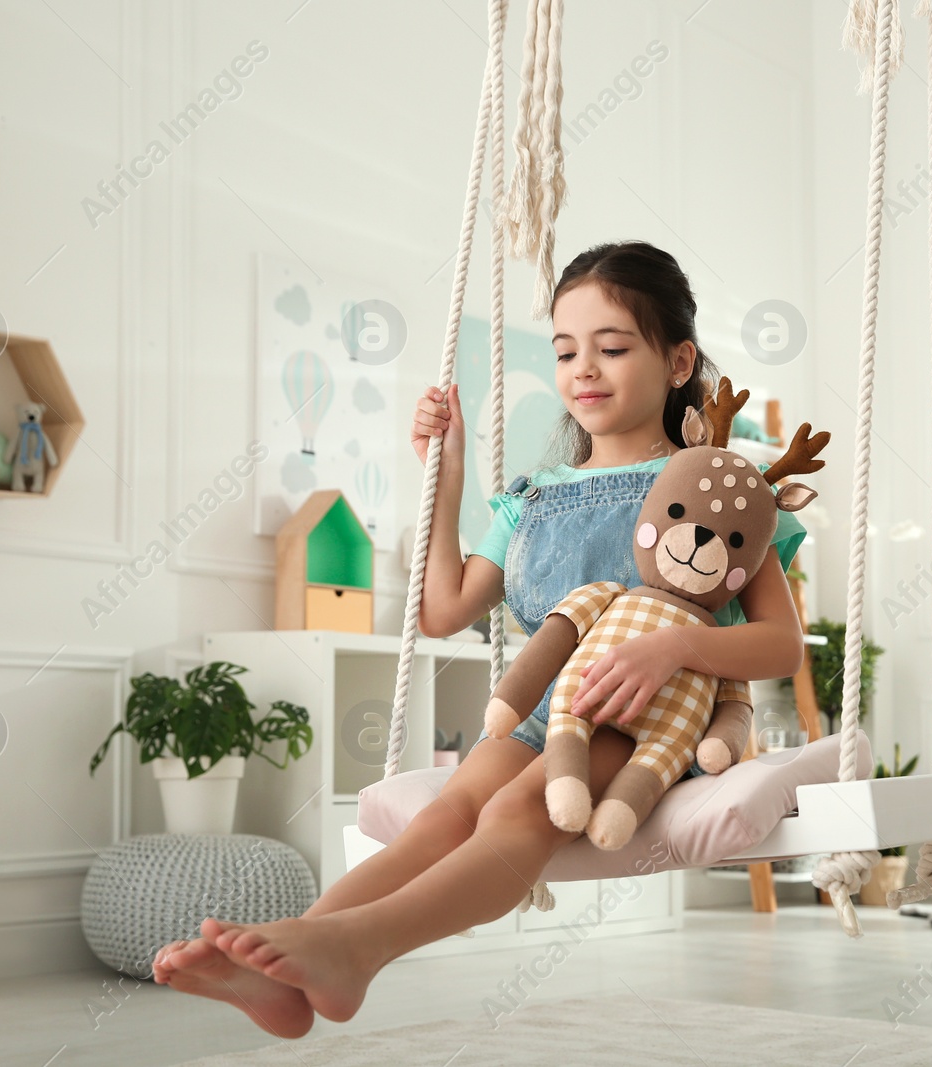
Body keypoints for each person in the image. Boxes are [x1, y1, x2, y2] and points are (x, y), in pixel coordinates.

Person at [150, 240, 810, 1038]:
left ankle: (353, 949)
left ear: (677, 363)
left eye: (612, 347)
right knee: (452, 808)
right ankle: (289, 964)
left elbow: (781, 644)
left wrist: (674, 647)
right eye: (567, 350)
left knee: (519, 811)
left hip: (650, 724)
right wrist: (447, 472)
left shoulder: (719, 488)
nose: (583, 370)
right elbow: (443, 609)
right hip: (550, 713)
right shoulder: (532, 500)